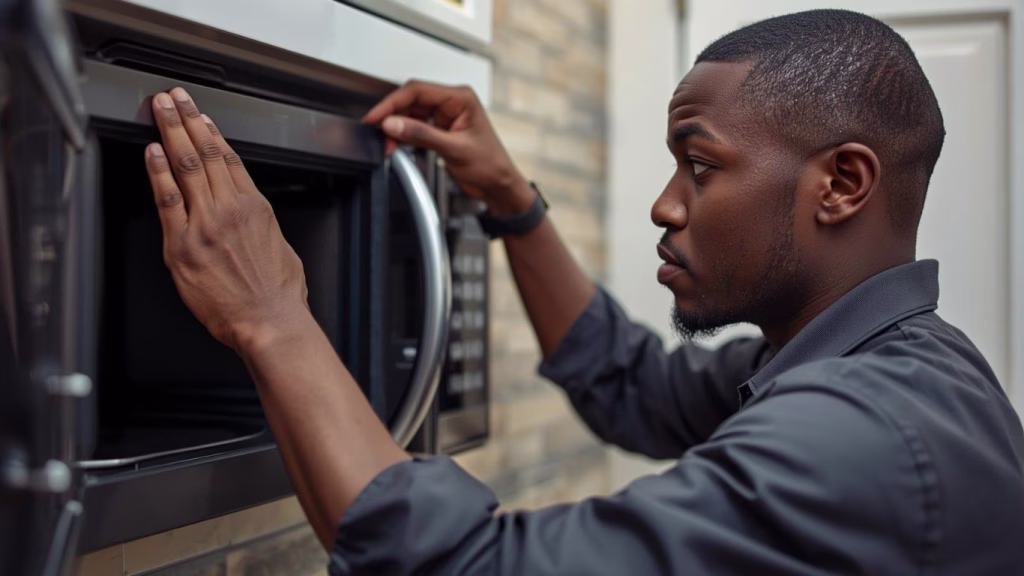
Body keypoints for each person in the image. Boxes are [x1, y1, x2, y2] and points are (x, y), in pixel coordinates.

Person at [139, 9, 1024, 576]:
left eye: (700, 165)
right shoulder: (862, 363)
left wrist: (271, 316)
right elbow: (633, 386)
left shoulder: (862, 436)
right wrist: (511, 201)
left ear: (841, 185)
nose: (666, 204)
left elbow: (460, 569)